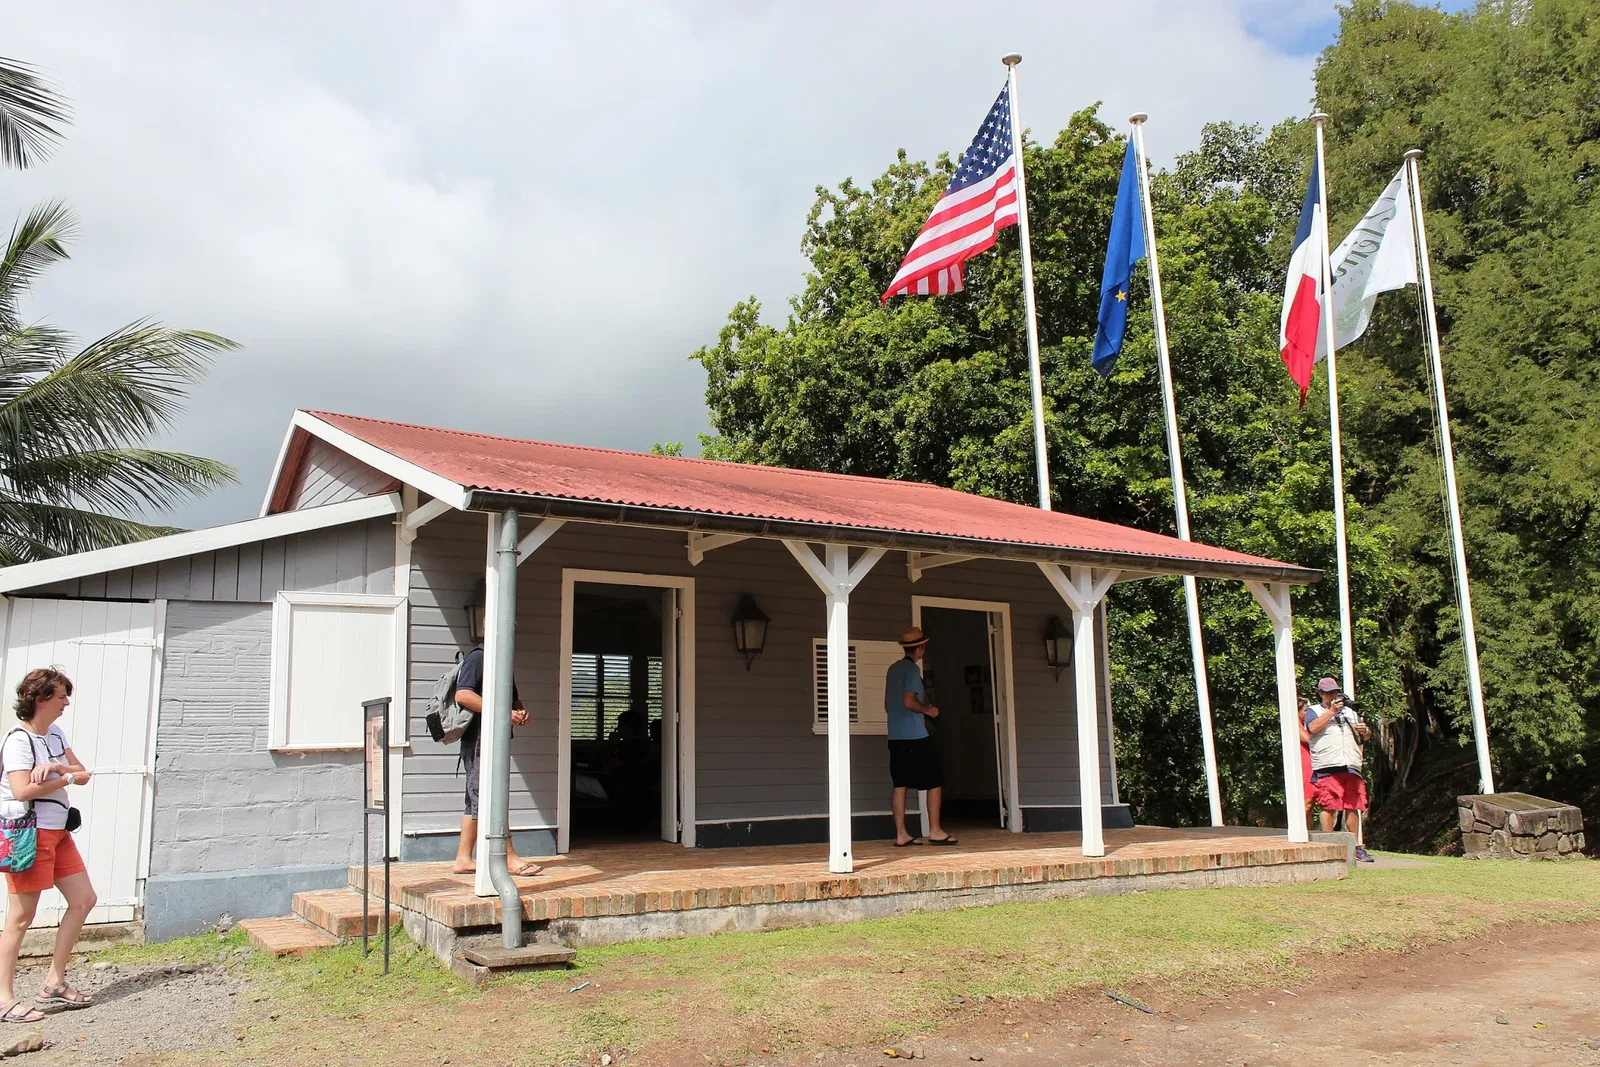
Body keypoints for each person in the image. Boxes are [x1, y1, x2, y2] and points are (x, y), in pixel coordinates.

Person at [0, 668, 97, 1023]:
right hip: (31, 834)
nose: (66, 703)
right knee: (21, 918)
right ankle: (4, 999)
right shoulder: (17, 740)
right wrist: (66, 775)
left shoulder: (54, 733)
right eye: (61, 697)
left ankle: (54, 981)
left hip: (59, 832)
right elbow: (23, 790)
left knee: (84, 899)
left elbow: (83, 772)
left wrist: (57, 768)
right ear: (40, 699)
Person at [452, 602, 541, 877]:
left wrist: (520, 713)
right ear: (490, 629)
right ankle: (509, 857)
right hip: (479, 741)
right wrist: (503, 711)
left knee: (475, 798)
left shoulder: (503, 662)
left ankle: (463, 859)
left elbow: (513, 700)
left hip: (495, 739)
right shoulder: (479, 658)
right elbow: (463, 695)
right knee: (490, 796)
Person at [885, 627, 957, 847]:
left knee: (900, 784)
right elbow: (909, 701)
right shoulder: (913, 671)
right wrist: (929, 710)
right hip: (915, 736)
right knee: (935, 780)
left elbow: (888, 706)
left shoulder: (892, 669)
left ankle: (901, 834)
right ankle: (935, 830)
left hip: (895, 737)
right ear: (920, 647)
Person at [1304, 676, 1375, 863]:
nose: (1333, 695)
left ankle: (1356, 847)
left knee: (1354, 806)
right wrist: (1332, 712)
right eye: (1328, 692)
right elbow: (1312, 728)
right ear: (1320, 693)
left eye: (1335, 692)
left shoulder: (1350, 712)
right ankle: (1328, 846)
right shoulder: (1314, 711)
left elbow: (1365, 736)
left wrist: (1365, 731)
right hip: (1327, 764)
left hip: (1350, 763)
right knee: (1329, 805)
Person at [1297, 696, 1315, 827]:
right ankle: (1302, 831)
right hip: (1304, 767)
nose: (1307, 713)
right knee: (1306, 802)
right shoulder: (1295, 726)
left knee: (1311, 803)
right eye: (1305, 710)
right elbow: (1309, 740)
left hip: (1311, 766)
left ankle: (1308, 832)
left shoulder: (1304, 726)